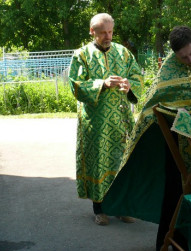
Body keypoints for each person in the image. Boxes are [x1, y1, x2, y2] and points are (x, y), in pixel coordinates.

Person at [97, 26, 191, 251]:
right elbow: (153, 104)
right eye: (184, 58)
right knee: (178, 188)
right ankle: (183, 246)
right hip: (181, 146)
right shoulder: (171, 67)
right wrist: (173, 112)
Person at [68, 13, 143, 225]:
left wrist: (130, 86)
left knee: (122, 162)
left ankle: (121, 207)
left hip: (121, 117)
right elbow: (75, 84)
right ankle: (99, 209)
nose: (107, 36)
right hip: (96, 121)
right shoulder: (82, 55)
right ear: (92, 32)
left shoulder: (123, 52)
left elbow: (137, 77)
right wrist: (102, 83)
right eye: (102, 33)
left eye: (110, 31)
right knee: (98, 162)